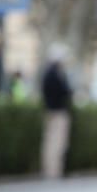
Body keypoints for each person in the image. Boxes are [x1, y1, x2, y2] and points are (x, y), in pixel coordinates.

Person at [40, 45, 72, 179]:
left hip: (49, 110)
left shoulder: (46, 73)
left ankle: (49, 170)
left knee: (49, 142)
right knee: (57, 143)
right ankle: (54, 171)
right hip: (58, 112)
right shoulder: (56, 74)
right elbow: (66, 91)